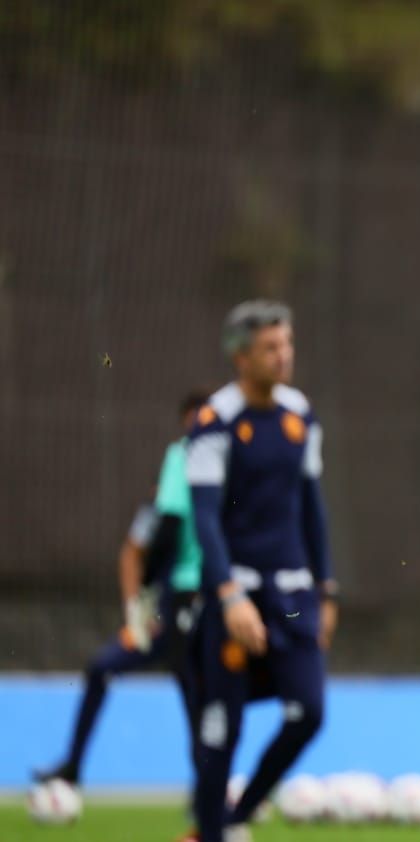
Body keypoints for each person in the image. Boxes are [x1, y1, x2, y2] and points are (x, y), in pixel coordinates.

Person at [184, 300, 338, 842]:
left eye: (287, 343)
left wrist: (328, 589)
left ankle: (235, 817)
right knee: (219, 731)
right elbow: (205, 519)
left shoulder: (300, 416)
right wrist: (229, 596)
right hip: (236, 598)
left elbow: (312, 510)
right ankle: (207, 829)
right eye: (270, 348)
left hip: (293, 596)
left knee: (309, 712)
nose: (283, 356)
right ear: (241, 357)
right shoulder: (214, 423)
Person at [33, 390, 211, 786]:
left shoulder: (224, 482)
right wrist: (138, 609)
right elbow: (133, 552)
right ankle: (74, 765)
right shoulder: (166, 494)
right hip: (168, 607)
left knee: (197, 693)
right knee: (105, 669)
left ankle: (212, 791)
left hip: (202, 604)